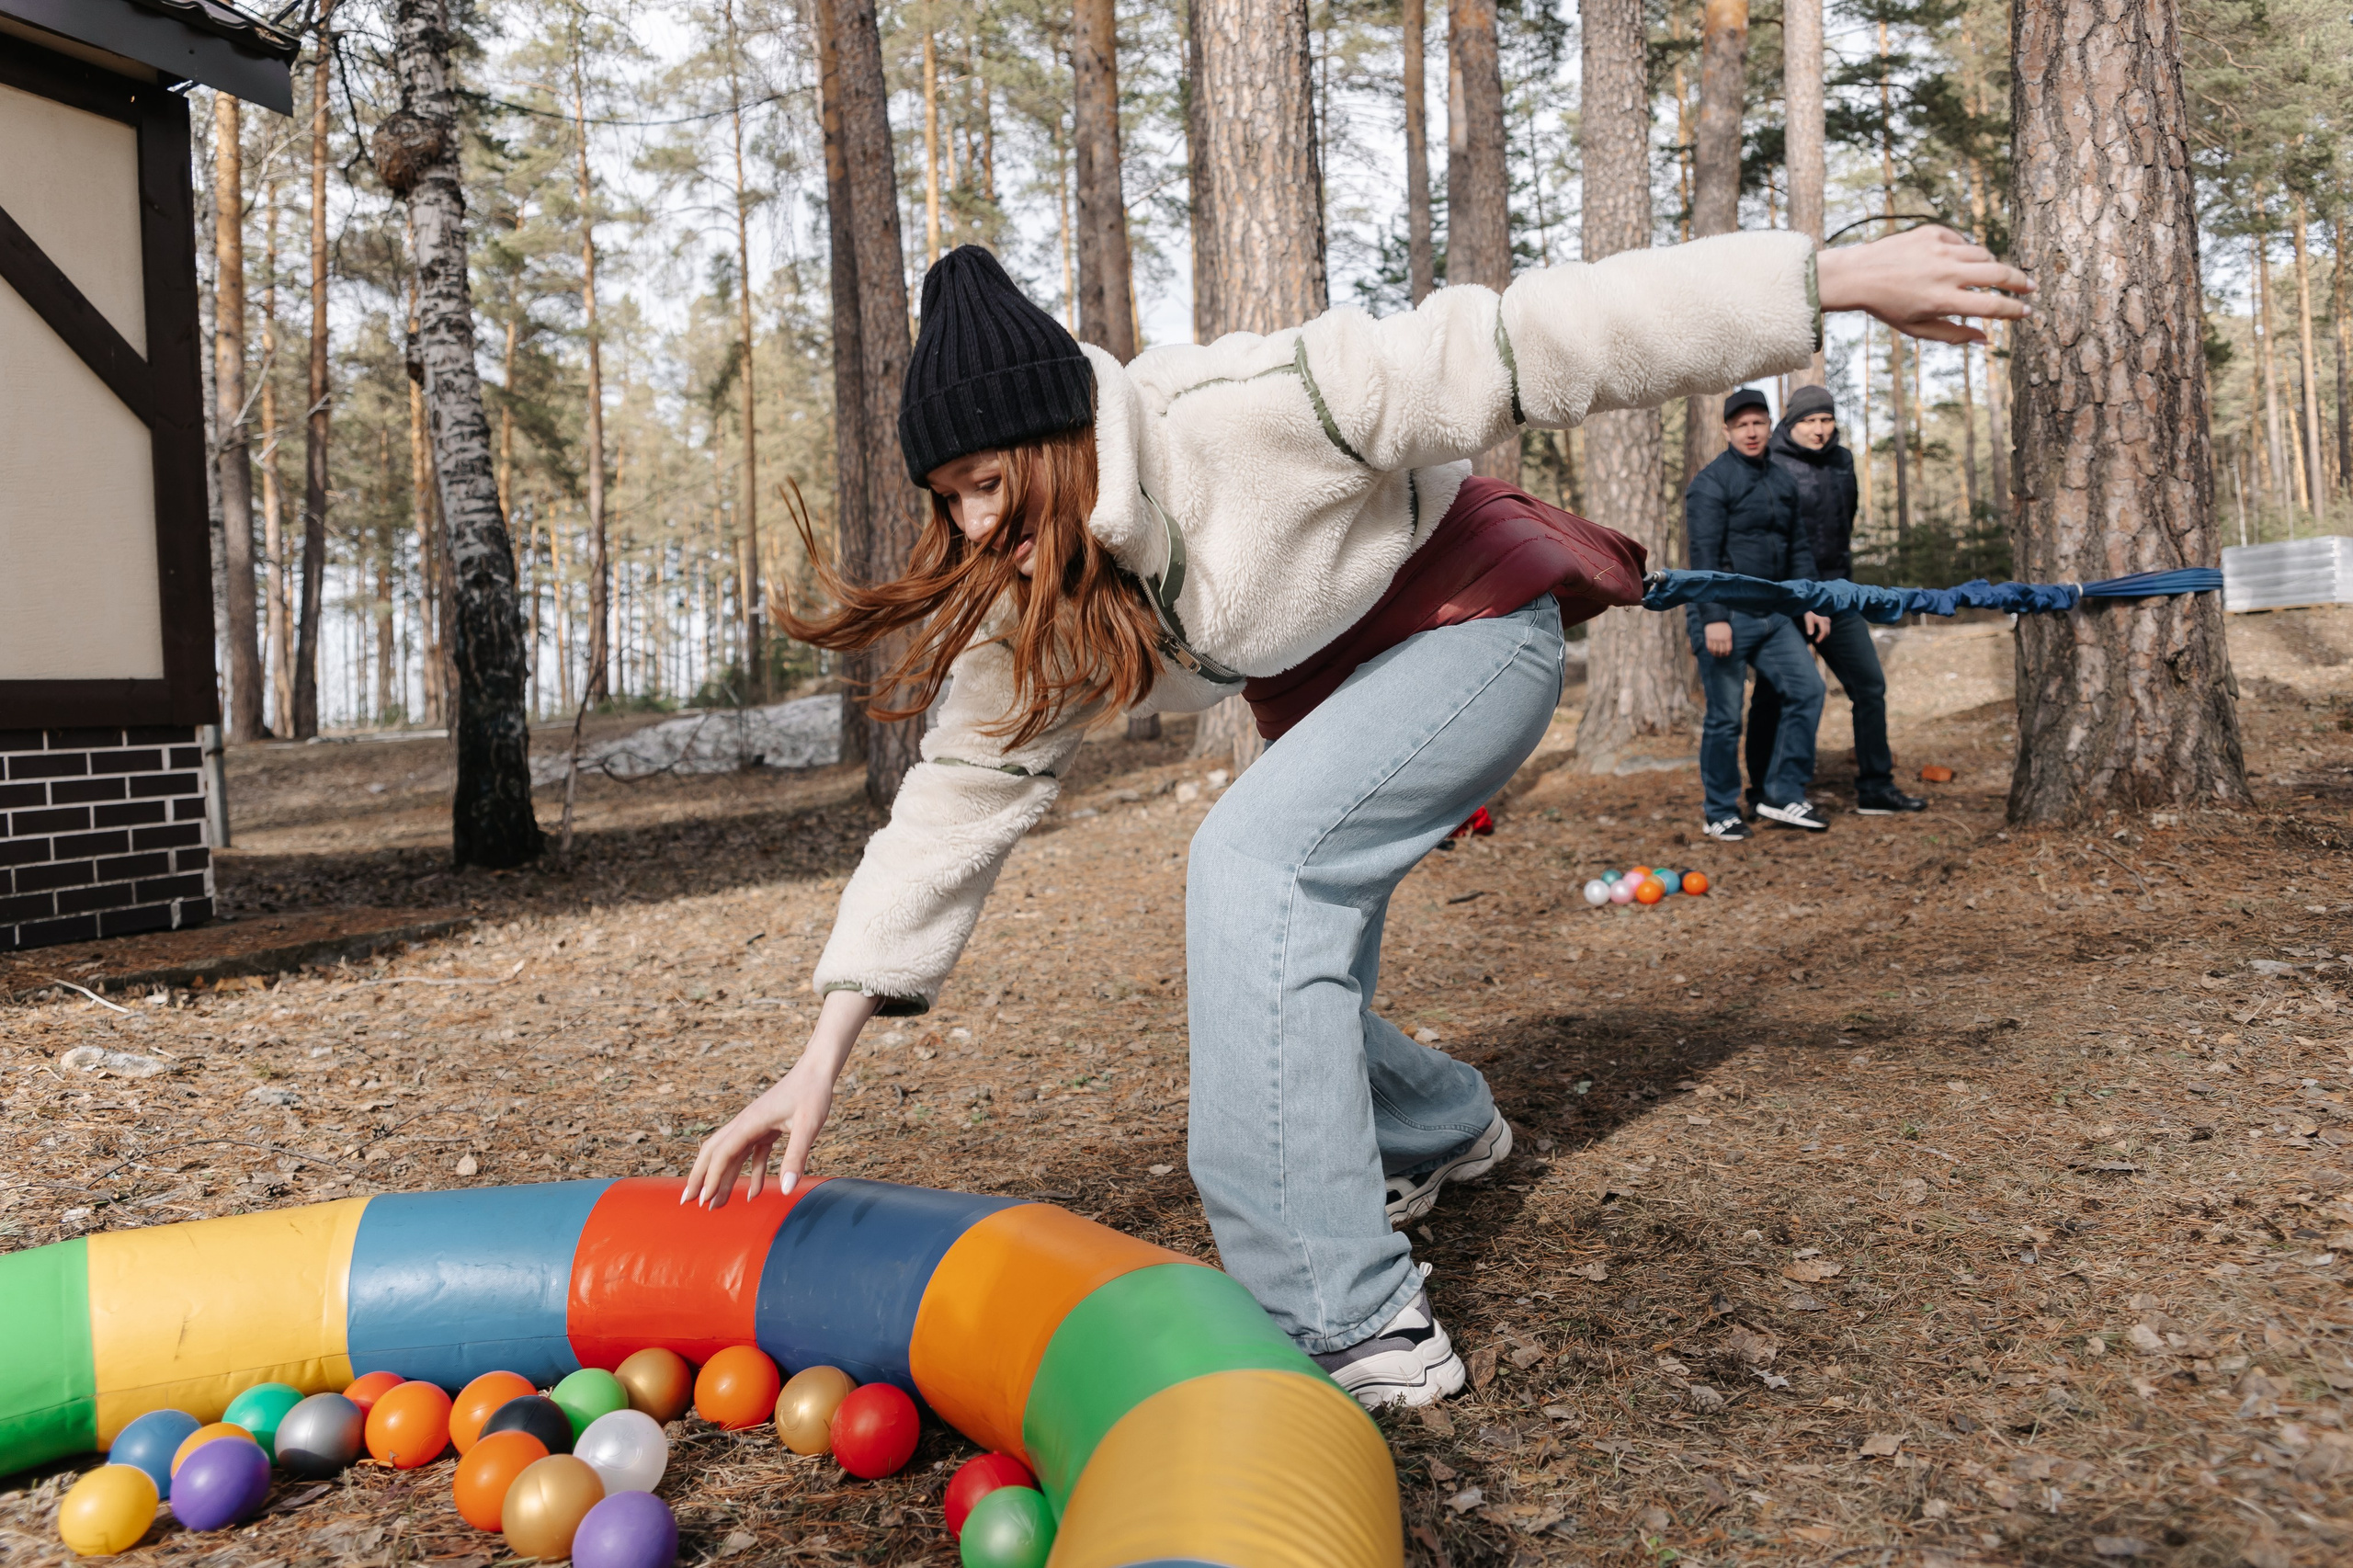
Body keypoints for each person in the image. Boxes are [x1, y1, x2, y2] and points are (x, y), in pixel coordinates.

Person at [681, 226, 2031, 1408]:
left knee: (1252, 867)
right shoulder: (1050, 592)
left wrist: (1831, 281)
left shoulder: (1251, 405)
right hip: (1325, 698)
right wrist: (822, 1055)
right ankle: (1444, 1121)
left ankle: (1348, 1316)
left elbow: (1537, 337)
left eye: (989, 483)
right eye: (948, 499)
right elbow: (953, 806)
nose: (975, 525)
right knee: (1266, 964)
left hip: (1470, 628)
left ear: (1056, 440)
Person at [1744, 384, 1927, 815]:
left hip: (1836, 593)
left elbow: (1845, 522)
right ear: (1791, 423)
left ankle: (1876, 787)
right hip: (1785, 596)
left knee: (1869, 684)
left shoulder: (1843, 461)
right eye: (1809, 421)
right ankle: (1763, 791)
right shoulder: (1769, 464)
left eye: (1826, 420)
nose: (1819, 429)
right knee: (1774, 693)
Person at [1686, 388, 1831, 839]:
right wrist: (1712, 617)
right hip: (1725, 616)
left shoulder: (1781, 481)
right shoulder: (1710, 483)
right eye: (1742, 425)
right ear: (1727, 430)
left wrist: (1810, 604)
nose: (1751, 432)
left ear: (1771, 426)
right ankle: (1719, 810)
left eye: (1759, 423)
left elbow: (1798, 549)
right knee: (1726, 717)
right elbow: (1703, 555)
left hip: (1773, 616)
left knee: (1808, 691)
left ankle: (1781, 793)